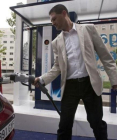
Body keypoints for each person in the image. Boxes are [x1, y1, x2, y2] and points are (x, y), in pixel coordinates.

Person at [33, 4, 117, 140]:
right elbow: (57, 68)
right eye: (51, 21)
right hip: (70, 86)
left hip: (90, 84)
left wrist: (114, 80)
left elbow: (105, 56)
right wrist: (42, 79)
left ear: (64, 13)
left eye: (54, 19)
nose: (52, 23)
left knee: (96, 122)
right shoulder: (56, 42)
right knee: (64, 125)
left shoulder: (88, 29)